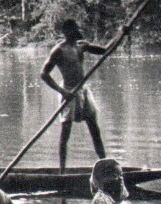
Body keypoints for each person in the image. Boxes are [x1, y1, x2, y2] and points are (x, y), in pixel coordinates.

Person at [40, 19, 126, 173]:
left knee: (95, 129)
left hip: (84, 90)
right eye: (73, 30)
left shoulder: (82, 46)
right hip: (69, 91)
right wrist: (63, 92)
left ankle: (104, 167)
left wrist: (121, 34)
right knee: (65, 133)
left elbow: (106, 50)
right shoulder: (58, 50)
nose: (77, 32)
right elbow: (44, 74)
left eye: (76, 29)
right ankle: (62, 172)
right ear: (66, 32)